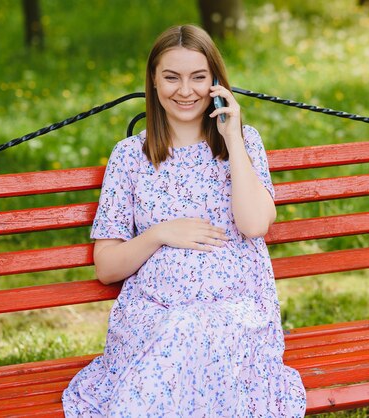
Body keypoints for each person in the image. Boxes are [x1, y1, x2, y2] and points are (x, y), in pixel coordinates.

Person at [62, 24, 307, 417]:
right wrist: (160, 234)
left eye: (198, 77)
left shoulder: (243, 144)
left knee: (198, 331)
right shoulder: (129, 157)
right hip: (154, 318)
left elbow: (255, 225)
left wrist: (232, 140)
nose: (185, 90)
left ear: (215, 82)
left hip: (235, 315)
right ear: (154, 83)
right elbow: (106, 268)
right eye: (171, 77)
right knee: (181, 329)